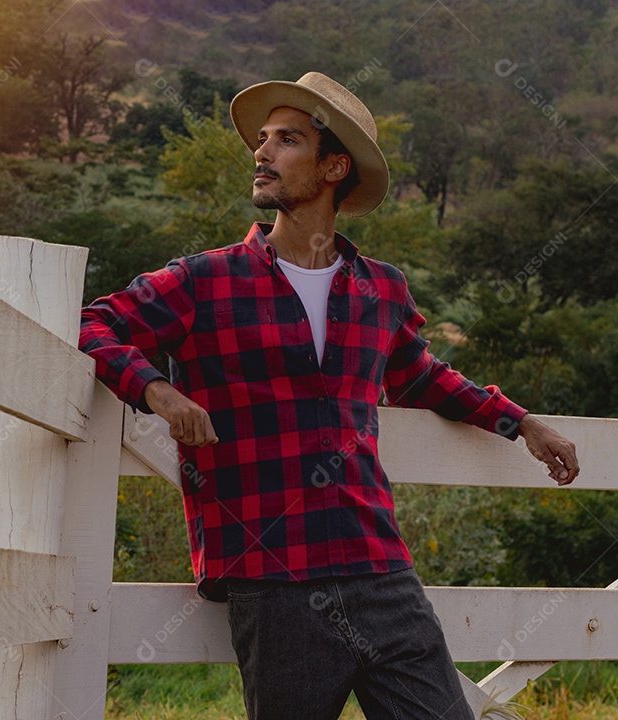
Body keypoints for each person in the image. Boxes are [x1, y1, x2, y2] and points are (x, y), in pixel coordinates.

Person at [78, 72, 580, 719]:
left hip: (379, 566)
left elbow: (422, 376)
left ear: (335, 165)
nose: (262, 153)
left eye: (287, 140)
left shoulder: (382, 290)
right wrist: (155, 390)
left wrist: (522, 423)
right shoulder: (204, 280)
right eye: (261, 140)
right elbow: (95, 323)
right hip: (274, 574)